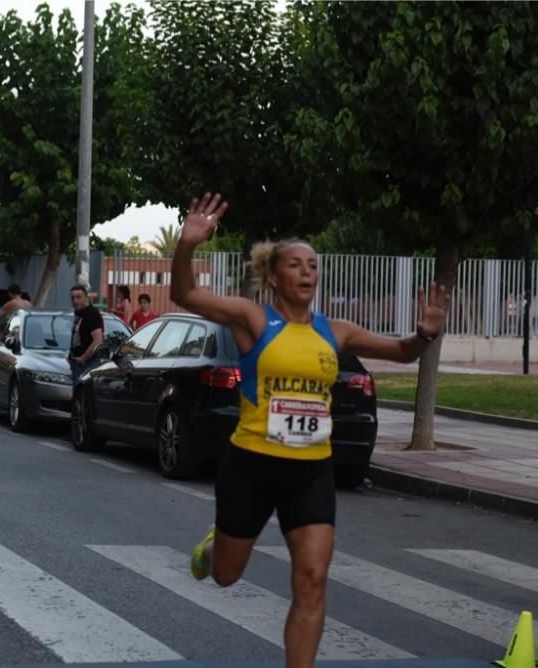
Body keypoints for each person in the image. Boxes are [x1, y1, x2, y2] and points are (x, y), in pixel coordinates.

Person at [171, 193, 449, 668]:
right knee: (226, 576)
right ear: (275, 276)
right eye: (296, 265)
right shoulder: (252, 318)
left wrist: (424, 334)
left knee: (313, 577)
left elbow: (401, 352)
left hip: (311, 469)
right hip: (252, 466)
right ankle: (215, 547)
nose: (307, 273)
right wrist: (187, 246)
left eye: (313, 266)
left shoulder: (335, 331)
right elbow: (185, 295)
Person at [67, 285, 104, 386]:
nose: (75, 300)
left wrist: (83, 358)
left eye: (78, 297)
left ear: (86, 298)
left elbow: (98, 340)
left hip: (88, 364)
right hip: (76, 363)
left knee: (83, 396)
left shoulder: (92, 314)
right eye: (72, 298)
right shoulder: (78, 313)